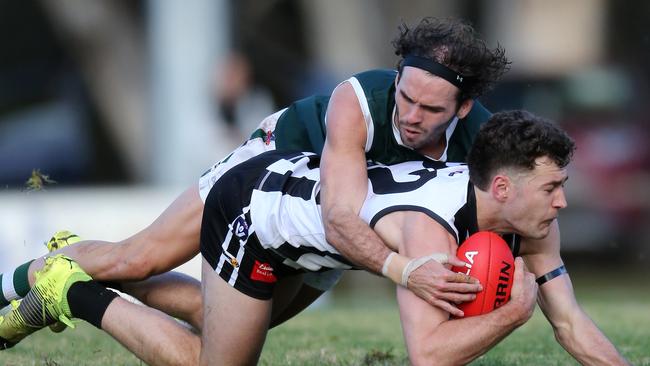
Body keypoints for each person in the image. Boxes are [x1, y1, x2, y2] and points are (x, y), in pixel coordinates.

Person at [1, 111, 629, 365]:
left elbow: (571, 325)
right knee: (211, 361)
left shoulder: (525, 220)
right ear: (501, 190)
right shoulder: (427, 228)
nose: (564, 202)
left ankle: (77, 264)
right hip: (258, 207)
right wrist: (515, 313)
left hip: (322, 240)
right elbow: (429, 355)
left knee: (198, 307)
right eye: (552, 189)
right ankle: (70, 290)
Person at [0, 17, 508, 320]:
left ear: (462, 110)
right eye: (406, 97)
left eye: (432, 110)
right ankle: (19, 281)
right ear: (396, 78)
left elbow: (520, 213)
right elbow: (339, 216)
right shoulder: (360, 100)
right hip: (272, 173)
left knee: (225, 317)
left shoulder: (481, 142)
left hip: (332, 220)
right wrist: (406, 271)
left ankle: (69, 275)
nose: (412, 116)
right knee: (136, 259)